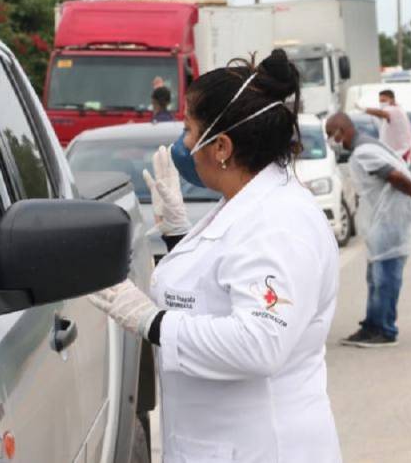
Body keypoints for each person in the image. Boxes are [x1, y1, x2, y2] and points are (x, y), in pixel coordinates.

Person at [91, 50, 342, 462]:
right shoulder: (249, 203)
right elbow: (220, 285)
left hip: (261, 447)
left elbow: (260, 342)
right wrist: (178, 236)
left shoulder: (278, 224)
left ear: (222, 146)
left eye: (190, 130)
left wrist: (152, 322)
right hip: (223, 443)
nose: (183, 144)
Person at [325, 112, 411, 348]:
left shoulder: (365, 152)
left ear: (343, 130)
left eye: (331, 134)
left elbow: (396, 177)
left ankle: (385, 330)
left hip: (391, 221)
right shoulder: (367, 146)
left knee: (385, 278)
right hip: (383, 221)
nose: (330, 139)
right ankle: (372, 324)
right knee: (375, 276)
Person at [360, 89, 411, 160]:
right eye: (380, 101)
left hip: (399, 154)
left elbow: (382, 113)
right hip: (394, 153)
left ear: (392, 100)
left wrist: (364, 109)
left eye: (383, 101)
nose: (381, 103)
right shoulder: (397, 110)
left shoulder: (395, 110)